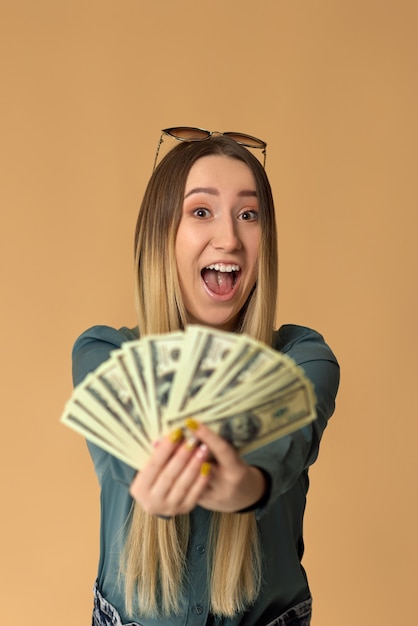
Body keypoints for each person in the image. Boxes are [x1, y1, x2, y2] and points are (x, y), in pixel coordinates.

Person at [71, 127, 340, 626]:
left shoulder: (305, 359)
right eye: (201, 212)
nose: (230, 238)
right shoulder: (103, 353)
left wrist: (243, 485)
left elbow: (286, 437)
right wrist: (148, 472)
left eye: (248, 214)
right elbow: (123, 441)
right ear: (160, 235)